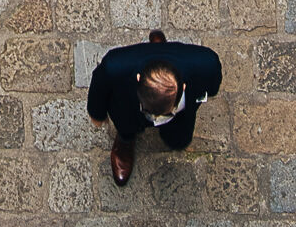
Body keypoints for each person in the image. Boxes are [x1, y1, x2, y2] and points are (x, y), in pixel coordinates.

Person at [87, 29, 223, 187]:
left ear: (183, 87)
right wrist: (97, 114)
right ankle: (125, 141)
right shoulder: (115, 66)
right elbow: (99, 86)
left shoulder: (206, 64)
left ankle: (158, 48)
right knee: (126, 126)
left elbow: (212, 85)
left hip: (179, 116)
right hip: (129, 109)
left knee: (178, 141)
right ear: (138, 78)